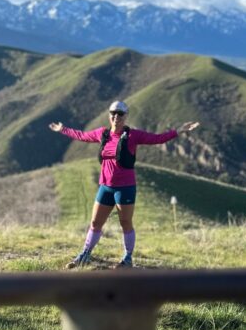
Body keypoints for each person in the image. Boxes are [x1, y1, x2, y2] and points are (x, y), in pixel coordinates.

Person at [49, 100, 200, 268]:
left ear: (126, 116)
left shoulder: (133, 136)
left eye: (120, 114)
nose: (116, 117)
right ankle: (85, 254)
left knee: (125, 223)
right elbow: (82, 136)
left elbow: (157, 139)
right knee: (95, 223)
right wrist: (62, 129)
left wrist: (178, 131)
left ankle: (127, 258)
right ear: (109, 115)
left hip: (125, 188)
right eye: (113, 113)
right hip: (105, 187)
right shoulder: (102, 134)